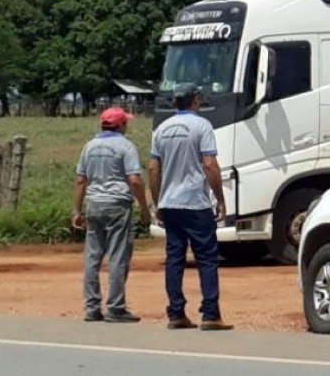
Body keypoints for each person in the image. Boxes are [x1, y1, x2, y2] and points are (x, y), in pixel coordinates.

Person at [149, 82, 233, 330]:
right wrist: (220, 198)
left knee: (174, 259)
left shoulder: (161, 129)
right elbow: (209, 164)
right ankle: (210, 314)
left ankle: (176, 312)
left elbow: (154, 169)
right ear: (195, 99)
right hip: (195, 203)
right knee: (207, 259)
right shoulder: (202, 125)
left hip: (170, 203)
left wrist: (158, 202)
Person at [72, 107, 151, 323]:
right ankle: (116, 307)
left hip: (94, 205)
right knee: (118, 256)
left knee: (92, 257)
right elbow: (134, 180)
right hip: (118, 205)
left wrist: (77, 210)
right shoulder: (125, 146)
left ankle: (92, 307)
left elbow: (81, 180)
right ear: (121, 125)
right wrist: (144, 208)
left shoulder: (90, 146)